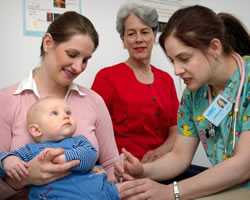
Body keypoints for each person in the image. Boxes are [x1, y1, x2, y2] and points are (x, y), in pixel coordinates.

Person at [116, 5, 250, 200]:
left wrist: (171, 191)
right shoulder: (193, 95)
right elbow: (179, 156)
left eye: (184, 58)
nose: (177, 70)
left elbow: (244, 165)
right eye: (172, 61)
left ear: (214, 47)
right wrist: (143, 170)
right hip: (231, 186)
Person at [0, 11, 119, 199]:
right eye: (72, 54)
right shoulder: (6, 100)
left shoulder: (93, 101)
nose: (78, 67)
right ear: (48, 43)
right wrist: (26, 178)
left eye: (85, 60)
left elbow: (112, 164)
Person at [92, 3, 179, 162]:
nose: (139, 39)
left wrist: (159, 153)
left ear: (154, 36)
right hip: (122, 170)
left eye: (145, 32)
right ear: (123, 40)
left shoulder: (166, 80)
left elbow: (175, 130)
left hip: (164, 165)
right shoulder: (107, 77)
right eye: (131, 34)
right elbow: (93, 129)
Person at [0, 97, 120, 200]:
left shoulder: (79, 141)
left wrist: (65, 158)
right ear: (36, 130)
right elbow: (8, 168)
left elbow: (90, 155)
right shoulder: (29, 151)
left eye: (68, 113)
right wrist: (8, 160)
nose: (66, 116)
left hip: (100, 192)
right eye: (55, 113)